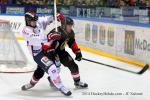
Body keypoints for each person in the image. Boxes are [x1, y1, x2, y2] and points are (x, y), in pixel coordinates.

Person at [21, 11, 72, 96]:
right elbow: (36, 39)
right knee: (52, 67)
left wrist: (56, 16)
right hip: (37, 54)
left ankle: (32, 83)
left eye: (35, 20)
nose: (34, 22)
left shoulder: (38, 22)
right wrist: (49, 37)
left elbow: (47, 19)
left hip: (45, 50)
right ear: (27, 21)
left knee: (42, 70)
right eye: (32, 21)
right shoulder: (25, 30)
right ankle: (61, 87)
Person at [47, 16, 88, 89]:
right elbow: (47, 38)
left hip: (62, 52)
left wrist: (77, 52)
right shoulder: (57, 31)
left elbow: (72, 43)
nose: (71, 27)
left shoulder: (71, 33)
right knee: (55, 69)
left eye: (71, 25)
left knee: (73, 65)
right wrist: (52, 36)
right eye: (69, 25)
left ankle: (77, 82)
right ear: (64, 25)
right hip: (52, 52)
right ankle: (52, 80)